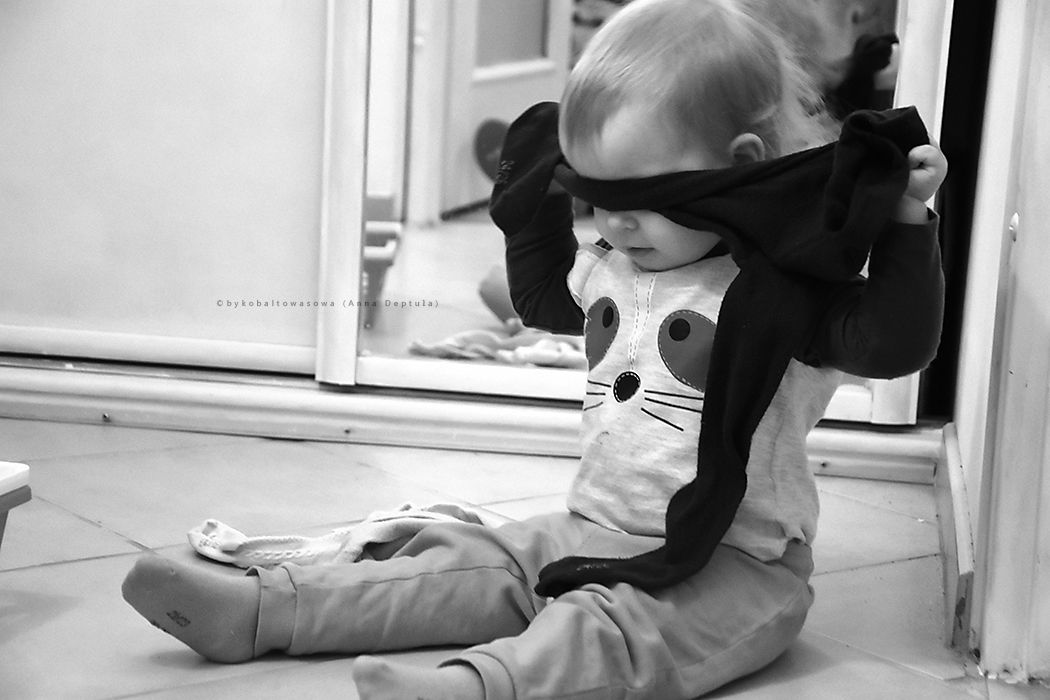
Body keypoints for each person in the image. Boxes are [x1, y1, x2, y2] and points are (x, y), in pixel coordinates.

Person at [121, 0, 946, 697]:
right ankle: (269, 610)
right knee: (472, 562)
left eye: (638, 200)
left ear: (740, 168)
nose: (613, 223)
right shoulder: (616, 263)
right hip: (589, 530)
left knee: (612, 629)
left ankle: (480, 686)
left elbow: (893, 342)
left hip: (738, 569)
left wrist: (909, 223)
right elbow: (544, 298)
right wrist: (536, 204)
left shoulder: (785, 292)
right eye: (595, 196)